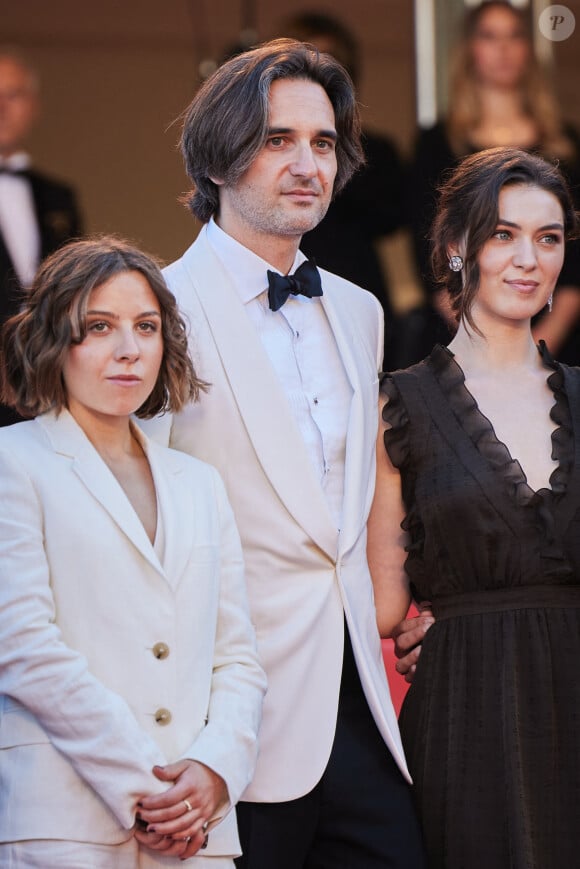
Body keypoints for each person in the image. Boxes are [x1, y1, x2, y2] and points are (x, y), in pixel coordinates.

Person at [142, 38, 426, 869]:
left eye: (324, 143)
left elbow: (365, 501)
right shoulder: (158, 307)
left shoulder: (360, 310)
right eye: (278, 140)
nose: (308, 163)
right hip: (228, 722)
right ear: (219, 159)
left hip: (360, 707)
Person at [0, 236, 266, 867]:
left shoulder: (199, 482)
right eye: (99, 327)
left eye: (146, 327)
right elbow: (23, 646)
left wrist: (214, 770)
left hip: (197, 834)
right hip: (67, 825)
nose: (128, 349)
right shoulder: (13, 462)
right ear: (54, 341)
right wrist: (147, 789)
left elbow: (237, 659)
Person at [367, 146, 580, 868]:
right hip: (465, 712)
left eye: (547, 238)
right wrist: (422, 632)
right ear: (456, 247)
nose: (528, 258)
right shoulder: (395, 407)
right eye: (503, 234)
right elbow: (379, 608)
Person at [400, 0, 580, 369]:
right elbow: (427, 245)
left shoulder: (566, 142)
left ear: (528, 49)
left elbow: (577, 252)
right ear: (470, 50)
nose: (503, 49)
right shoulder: (438, 144)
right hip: (462, 338)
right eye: (489, 36)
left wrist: (538, 344)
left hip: (562, 338)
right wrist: (488, 341)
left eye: (514, 36)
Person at [280, 13, 406, 367]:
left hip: (358, 276)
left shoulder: (375, 149)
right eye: (306, 60)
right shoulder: (266, 147)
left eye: (331, 61)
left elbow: (395, 217)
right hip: (284, 276)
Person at [0, 47, 83, 426]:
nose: (1, 107)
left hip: (46, 386)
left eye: (13, 95)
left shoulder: (58, 197)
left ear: (32, 105)